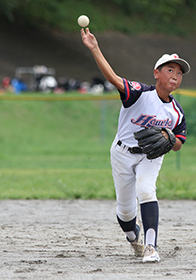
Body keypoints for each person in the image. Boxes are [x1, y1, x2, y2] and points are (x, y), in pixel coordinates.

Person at [81, 27, 190, 263]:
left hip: (150, 156)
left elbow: (179, 142)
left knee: (146, 190)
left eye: (180, 73)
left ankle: (151, 247)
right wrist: (95, 48)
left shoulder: (175, 111)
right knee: (126, 214)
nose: (175, 76)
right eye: (170, 70)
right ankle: (134, 238)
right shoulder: (140, 94)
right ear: (156, 73)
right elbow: (112, 78)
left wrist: (170, 141)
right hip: (122, 154)